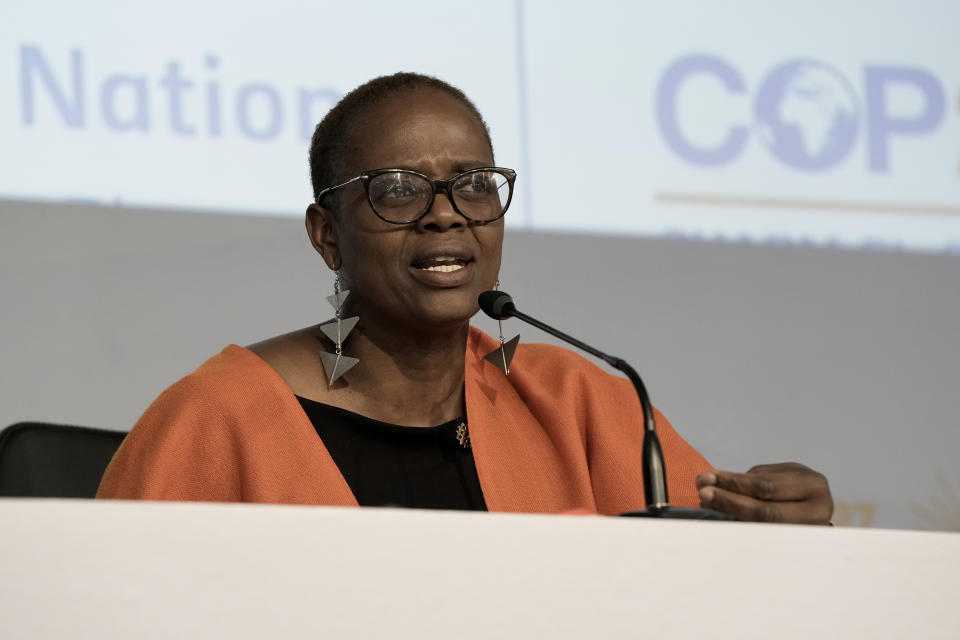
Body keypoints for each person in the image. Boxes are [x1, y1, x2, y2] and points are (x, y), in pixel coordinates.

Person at [98, 73, 833, 524]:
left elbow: (715, 582)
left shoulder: (579, 404)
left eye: (475, 183)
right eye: (396, 189)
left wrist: (783, 529)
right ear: (328, 236)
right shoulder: (217, 419)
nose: (445, 212)